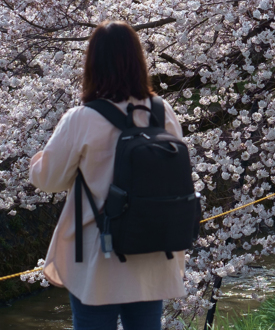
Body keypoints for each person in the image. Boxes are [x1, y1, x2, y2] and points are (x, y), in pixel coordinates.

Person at [30, 21, 186, 330]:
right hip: (153, 245)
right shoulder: (161, 110)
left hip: (100, 252)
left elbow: (47, 180)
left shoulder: (82, 118)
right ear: (138, 61)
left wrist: (38, 160)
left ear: (93, 64)